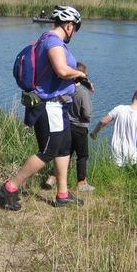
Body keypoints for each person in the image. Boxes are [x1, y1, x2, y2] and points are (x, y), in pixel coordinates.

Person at [0, 5, 93, 210]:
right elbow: (61, 70)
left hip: (60, 105)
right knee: (48, 151)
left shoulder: (46, 38)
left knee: (64, 148)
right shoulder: (53, 41)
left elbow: (57, 74)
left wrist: (77, 80)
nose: (74, 32)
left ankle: (62, 194)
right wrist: (80, 74)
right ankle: (8, 189)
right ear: (68, 25)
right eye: (75, 27)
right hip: (50, 106)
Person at [45, 61, 94, 191]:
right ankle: (82, 182)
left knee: (64, 154)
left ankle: (52, 177)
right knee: (82, 155)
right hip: (80, 127)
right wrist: (87, 119)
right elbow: (87, 112)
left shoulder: (64, 89)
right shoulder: (82, 93)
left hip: (66, 125)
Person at [90, 89, 137, 166]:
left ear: (133, 98)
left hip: (115, 158)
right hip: (132, 159)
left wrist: (94, 132)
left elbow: (103, 121)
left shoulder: (119, 109)